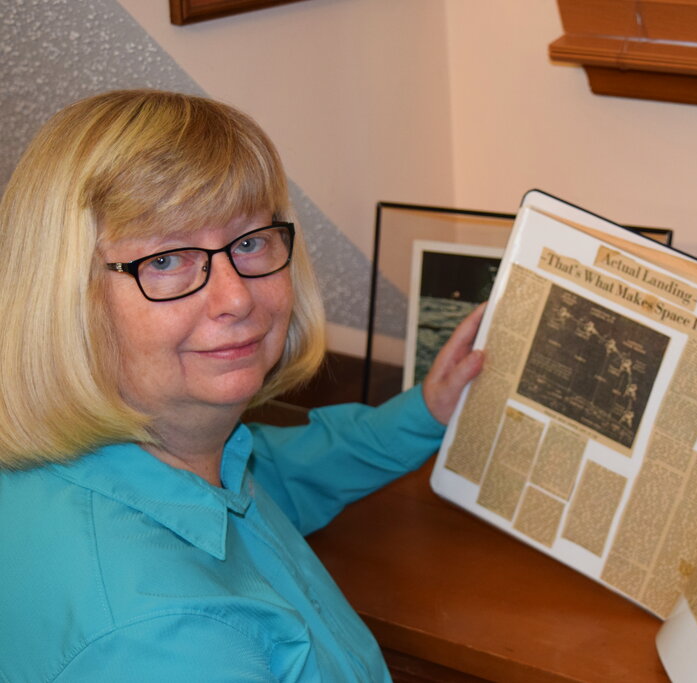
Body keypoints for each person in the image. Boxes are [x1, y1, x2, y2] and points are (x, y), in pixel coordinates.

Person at [0, 90, 484, 681]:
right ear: (63, 295)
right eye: (166, 259)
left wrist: (427, 411)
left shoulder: (169, 452)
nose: (235, 297)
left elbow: (288, 469)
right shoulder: (164, 640)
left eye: (250, 242)